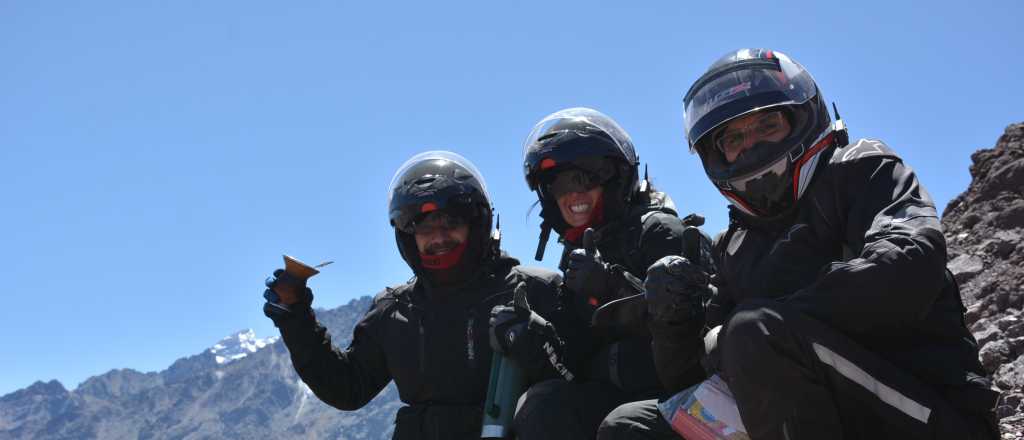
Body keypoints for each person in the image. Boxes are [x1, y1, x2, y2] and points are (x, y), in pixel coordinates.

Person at [598, 48, 999, 439]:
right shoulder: (735, 245)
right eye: (733, 138)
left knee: (753, 332)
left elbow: (910, 265)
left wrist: (761, 323)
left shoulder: (861, 168)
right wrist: (673, 324)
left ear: (804, 118)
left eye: (767, 125)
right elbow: (696, 382)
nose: (751, 145)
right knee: (631, 426)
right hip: (822, 415)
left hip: (931, 414)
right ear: (714, 154)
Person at [262, 151, 581, 440]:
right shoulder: (395, 310)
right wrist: (296, 318)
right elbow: (347, 389)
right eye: (424, 229)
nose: (439, 237)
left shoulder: (537, 290)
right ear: (407, 238)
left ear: (477, 222)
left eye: (451, 223)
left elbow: (581, 386)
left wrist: (542, 351)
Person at [509, 107, 713, 440]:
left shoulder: (661, 231)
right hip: (616, 392)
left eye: (587, 175)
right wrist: (537, 338)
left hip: (686, 392)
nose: (574, 192)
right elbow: (579, 357)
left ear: (617, 176)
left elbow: (703, 335)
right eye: (559, 182)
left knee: (624, 426)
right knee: (542, 406)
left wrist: (614, 288)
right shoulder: (576, 255)